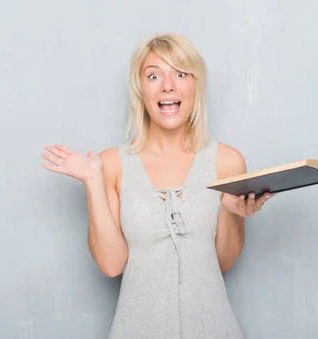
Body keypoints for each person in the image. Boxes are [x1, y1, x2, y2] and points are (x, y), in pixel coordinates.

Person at [41, 33, 272, 339]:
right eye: (153, 75)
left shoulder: (227, 161)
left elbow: (225, 262)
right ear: (141, 90)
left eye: (180, 73)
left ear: (195, 85)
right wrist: (92, 182)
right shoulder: (111, 165)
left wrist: (229, 212)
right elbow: (111, 265)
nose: (168, 86)